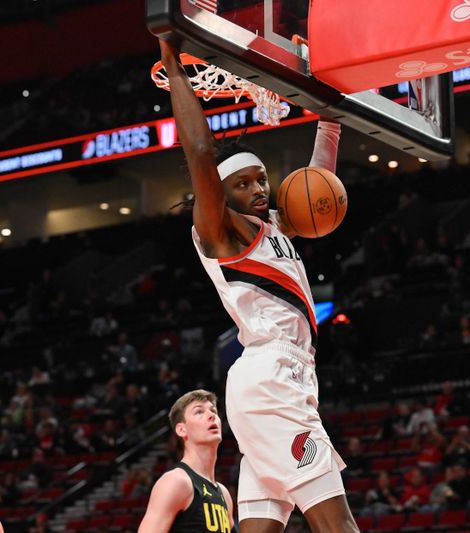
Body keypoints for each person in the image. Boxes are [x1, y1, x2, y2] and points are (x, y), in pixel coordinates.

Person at [157, 40, 356, 533]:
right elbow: (201, 153)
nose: (259, 189)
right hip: (272, 379)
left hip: (283, 381)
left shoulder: (273, 227)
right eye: (242, 185)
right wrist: (176, 70)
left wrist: (329, 120)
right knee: (338, 524)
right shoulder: (221, 232)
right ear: (218, 195)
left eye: (261, 179)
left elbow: (319, 187)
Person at [139, 389, 234, 532]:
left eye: (213, 411)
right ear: (181, 430)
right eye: (199, 412)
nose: (211, 416)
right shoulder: (176, 482)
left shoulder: (224, 494)